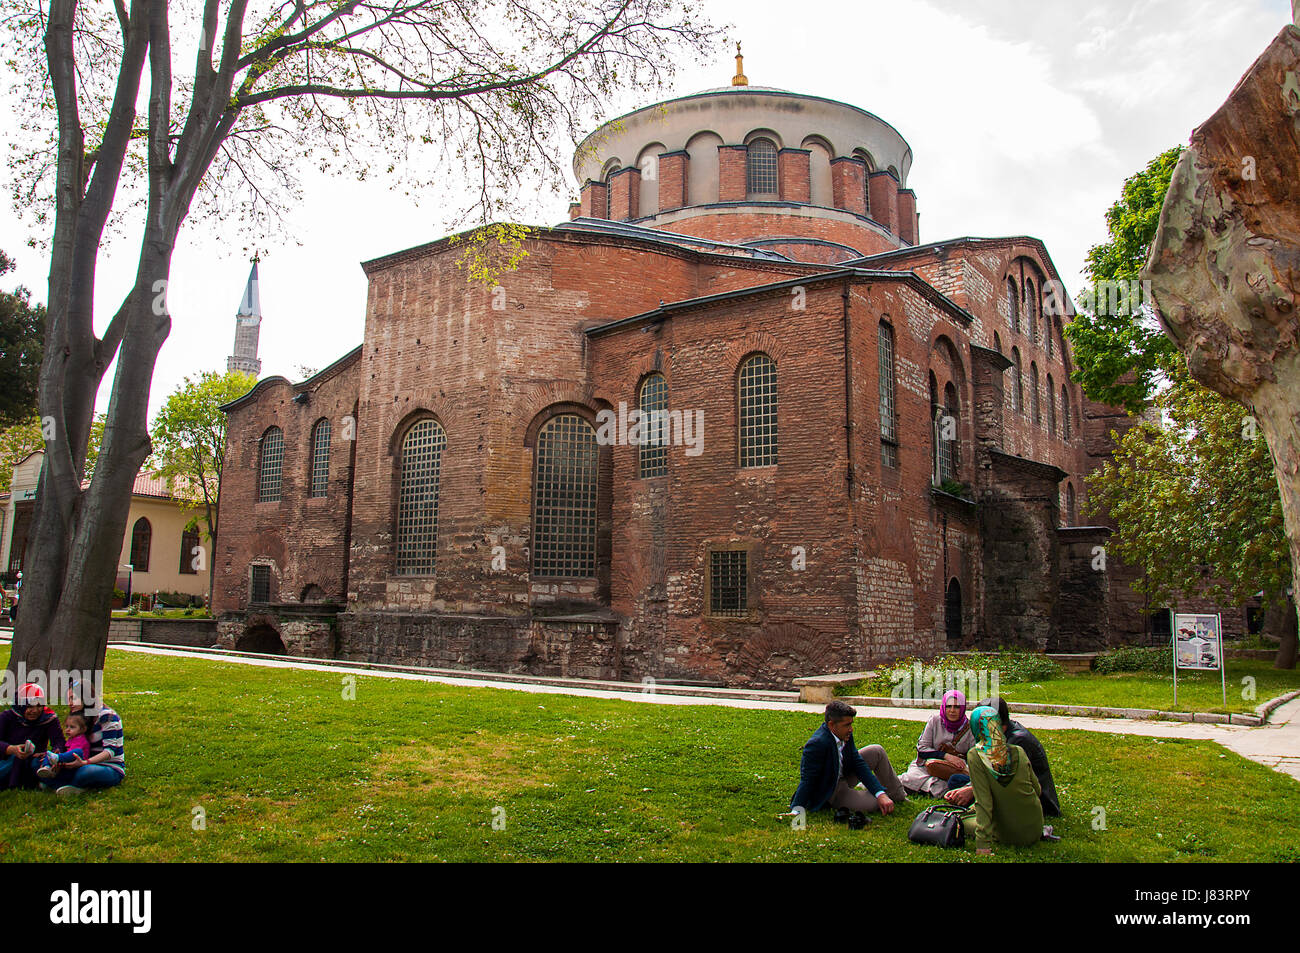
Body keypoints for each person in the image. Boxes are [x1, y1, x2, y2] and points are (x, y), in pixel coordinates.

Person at [944, 697, 1061, 817]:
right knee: (956, 780)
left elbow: (1007, 781)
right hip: (1001, 786)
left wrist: (972, 791)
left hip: (1028, 798)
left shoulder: (1017, 742)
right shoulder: (998, 736)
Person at [789, 700, 905, 819]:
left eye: (851, 724)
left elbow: (858, 762)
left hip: (844, 773)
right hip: (832, 790)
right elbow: (808, 779)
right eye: (847, 725)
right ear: (831, 725)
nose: (851, 729)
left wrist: (880, 793)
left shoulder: (845, 734)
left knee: (876, 751)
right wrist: (796, 809)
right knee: (875, 803)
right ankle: (883, 796)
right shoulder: (817, 744)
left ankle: (898, 795)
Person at [960, 705, 1044, 855]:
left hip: (1008, 833)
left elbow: (984, 803)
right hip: (1035, 828)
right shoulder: (1018, 751)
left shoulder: (976, 755)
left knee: (962, 821)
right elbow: (1037, 790)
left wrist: (982, 845)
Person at [42, 681, 125, 795]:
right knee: (38, 763)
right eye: (69, 699)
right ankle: (65, 785)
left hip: (108, 766)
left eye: (73, 698)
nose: (70, 703)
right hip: (81, 761)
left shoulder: (107, 716)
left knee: (85, 772)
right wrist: (62, 758)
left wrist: (85, 763)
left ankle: (62, 784)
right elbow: (76, 744)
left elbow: (110, 752)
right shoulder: (80, 717)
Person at [898, 689, 974, 797]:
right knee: (911, 777)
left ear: (962, 708)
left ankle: (922, 789)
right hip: (927, 766)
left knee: (953, 783)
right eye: (948, 706)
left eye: (957, 707)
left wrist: (959, 762)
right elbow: (922, 750)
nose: (952, 710)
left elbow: (974, 756)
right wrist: (946, 756)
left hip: (952, 771)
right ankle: (926, 789)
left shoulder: (969, 728)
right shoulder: (935, 721)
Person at [0, 683, 65, 790]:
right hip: (7, 758)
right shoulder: (7, 717)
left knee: (38, 764)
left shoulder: (48, 718)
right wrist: (11, 749)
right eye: (29, 706)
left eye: (39, 706)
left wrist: (53, 755)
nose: (34, 711)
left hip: (34, 758)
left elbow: (59, 741)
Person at [35, 713, 91, 783]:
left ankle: (56, 759)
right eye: (66, 726)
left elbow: (72, 755)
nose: (68, 729)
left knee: (78, 751)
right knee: (45, 757)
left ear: (83, 729)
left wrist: (60, 758)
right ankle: (46, 768)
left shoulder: (81, 740)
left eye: (72, 727)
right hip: (65, 763)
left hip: (77, 765)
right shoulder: (70, 739)